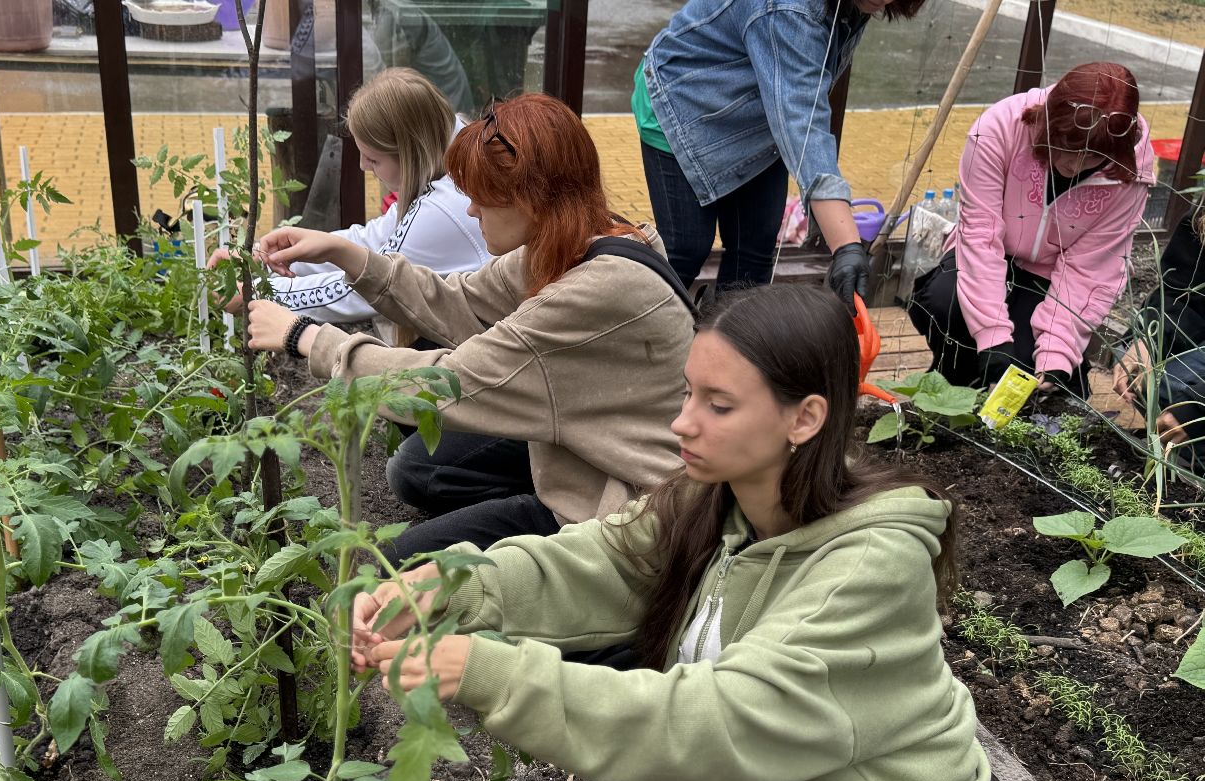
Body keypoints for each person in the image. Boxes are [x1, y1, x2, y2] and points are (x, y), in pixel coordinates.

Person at [350, 283, 993, 781]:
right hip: (794, 763)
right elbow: (591, 563)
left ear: (804, 418)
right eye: (689, 393)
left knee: (677, 777)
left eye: (718, 406)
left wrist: (486, 669)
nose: (683, 422)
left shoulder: (873, 564)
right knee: (615, 689)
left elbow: (726, 719)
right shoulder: (716, 498)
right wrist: (452, 585)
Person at [245, 93, 696, 562]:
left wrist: (306, 337)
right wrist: (346, 254)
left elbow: (449, 382)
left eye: (482, 199)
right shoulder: (581, 239)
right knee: (417, 470)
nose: (472, 212)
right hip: (589, 459)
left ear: (528, 198)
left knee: (394, 575)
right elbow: (459, 299)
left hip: (631, 521)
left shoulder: (590, 292)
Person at [634, 0, 929, 304]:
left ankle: (732, 345)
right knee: (684, 250)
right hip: (682, 106)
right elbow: (803, 120)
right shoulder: (788, 7)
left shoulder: (857, 3)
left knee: (756, 250)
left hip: (759, 119)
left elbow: (798, 100)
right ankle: (625, 337)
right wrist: (846, 245)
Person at [908, 61, 1153, 395]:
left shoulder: (1131, 170)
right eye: (1066, 148)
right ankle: (950, 384)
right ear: (1049, 123)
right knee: (945, 304)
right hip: (988, 253)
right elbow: (980, 234)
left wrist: (1057, 350)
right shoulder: (998, 128)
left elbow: (1092, 268)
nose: (1073, 165)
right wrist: (992, 337)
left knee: (1031, 369)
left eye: (1091, 158)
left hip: (1050, 273)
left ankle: (1031, 383)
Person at [212, 68, 488, 344]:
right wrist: (270, 258)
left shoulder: (445, 209)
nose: (363, 166)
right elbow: (377, 240)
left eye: (373, 159)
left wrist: (254, 291)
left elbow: (361, 290)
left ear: (409, 152)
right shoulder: (451, 136)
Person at [1112, 205, 1205, 470]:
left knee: (1177, 392)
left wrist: (1198, 407)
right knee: (1136, 368)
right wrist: (1148, 342)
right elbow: (1181, 296)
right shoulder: (1201, 219)